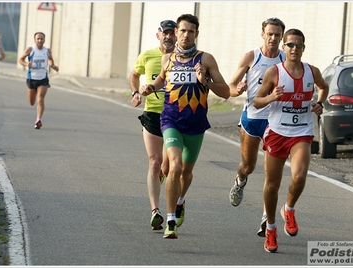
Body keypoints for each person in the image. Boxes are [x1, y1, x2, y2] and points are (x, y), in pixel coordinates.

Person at [140, 14, 230, 239]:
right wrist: (151, 87)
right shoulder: (167, 59)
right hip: (170, 120)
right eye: (182, 31)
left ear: (196, 34)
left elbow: (226, 92)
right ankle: (171, 221)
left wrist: (205, 81)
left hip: (196, 124)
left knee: (186, 174)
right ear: (176, 33)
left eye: (191, 31)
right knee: (175, 166)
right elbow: (162, 78)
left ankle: (180, 201)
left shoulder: (206, 60)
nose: (186, 35)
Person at [254, 28, 329, 253]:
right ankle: (271, 228)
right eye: (290, 45)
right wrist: (271, 97)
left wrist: (319, 103)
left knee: (298, 175)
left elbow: (324, 88)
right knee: (272, 184)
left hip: (301, 132)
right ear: (284, 48)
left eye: (298, 45)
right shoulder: (274, 73)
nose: (294, 49)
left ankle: (289, 209)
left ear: (304, 48)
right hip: (277, 132)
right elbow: (256, 102)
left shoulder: (312, 72)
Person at [227, 18, 286, 237]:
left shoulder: (284, 59)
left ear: (281, 37)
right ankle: (240, 181)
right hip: (252, 117)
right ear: (263, 34)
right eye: (269, 34)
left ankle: (265, 218)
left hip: (275, 121)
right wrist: (238, 89)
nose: (273, 38)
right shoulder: (251, 57)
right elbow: (231, 86)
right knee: (249, 165)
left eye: (277, 35)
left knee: (271, 174)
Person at [129, 20, 177, 231]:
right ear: (158, 35)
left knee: (167, 167)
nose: (168, 37)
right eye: (164, 33)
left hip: (174, 115)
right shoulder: (147, 55)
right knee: (155, 162)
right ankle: (155, 211)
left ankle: (159, 179)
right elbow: (134, 74)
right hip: (152, 114)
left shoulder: (182, 58)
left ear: (176, 36)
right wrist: (135, 92)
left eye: (171, 33)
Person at [18, 32, 59, 129]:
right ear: (35, 40)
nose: (40, 40)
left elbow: (50, 59)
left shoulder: (47, 50)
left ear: (44, 40)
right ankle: (37, 116)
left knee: (40, 99)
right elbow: (20, 60)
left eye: (42, 39)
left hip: (43, 78)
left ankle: (38, 119)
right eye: (38, 39)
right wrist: (26, 64)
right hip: (31, 78)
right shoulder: (30, 49)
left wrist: (52, 65)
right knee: (32, 102)